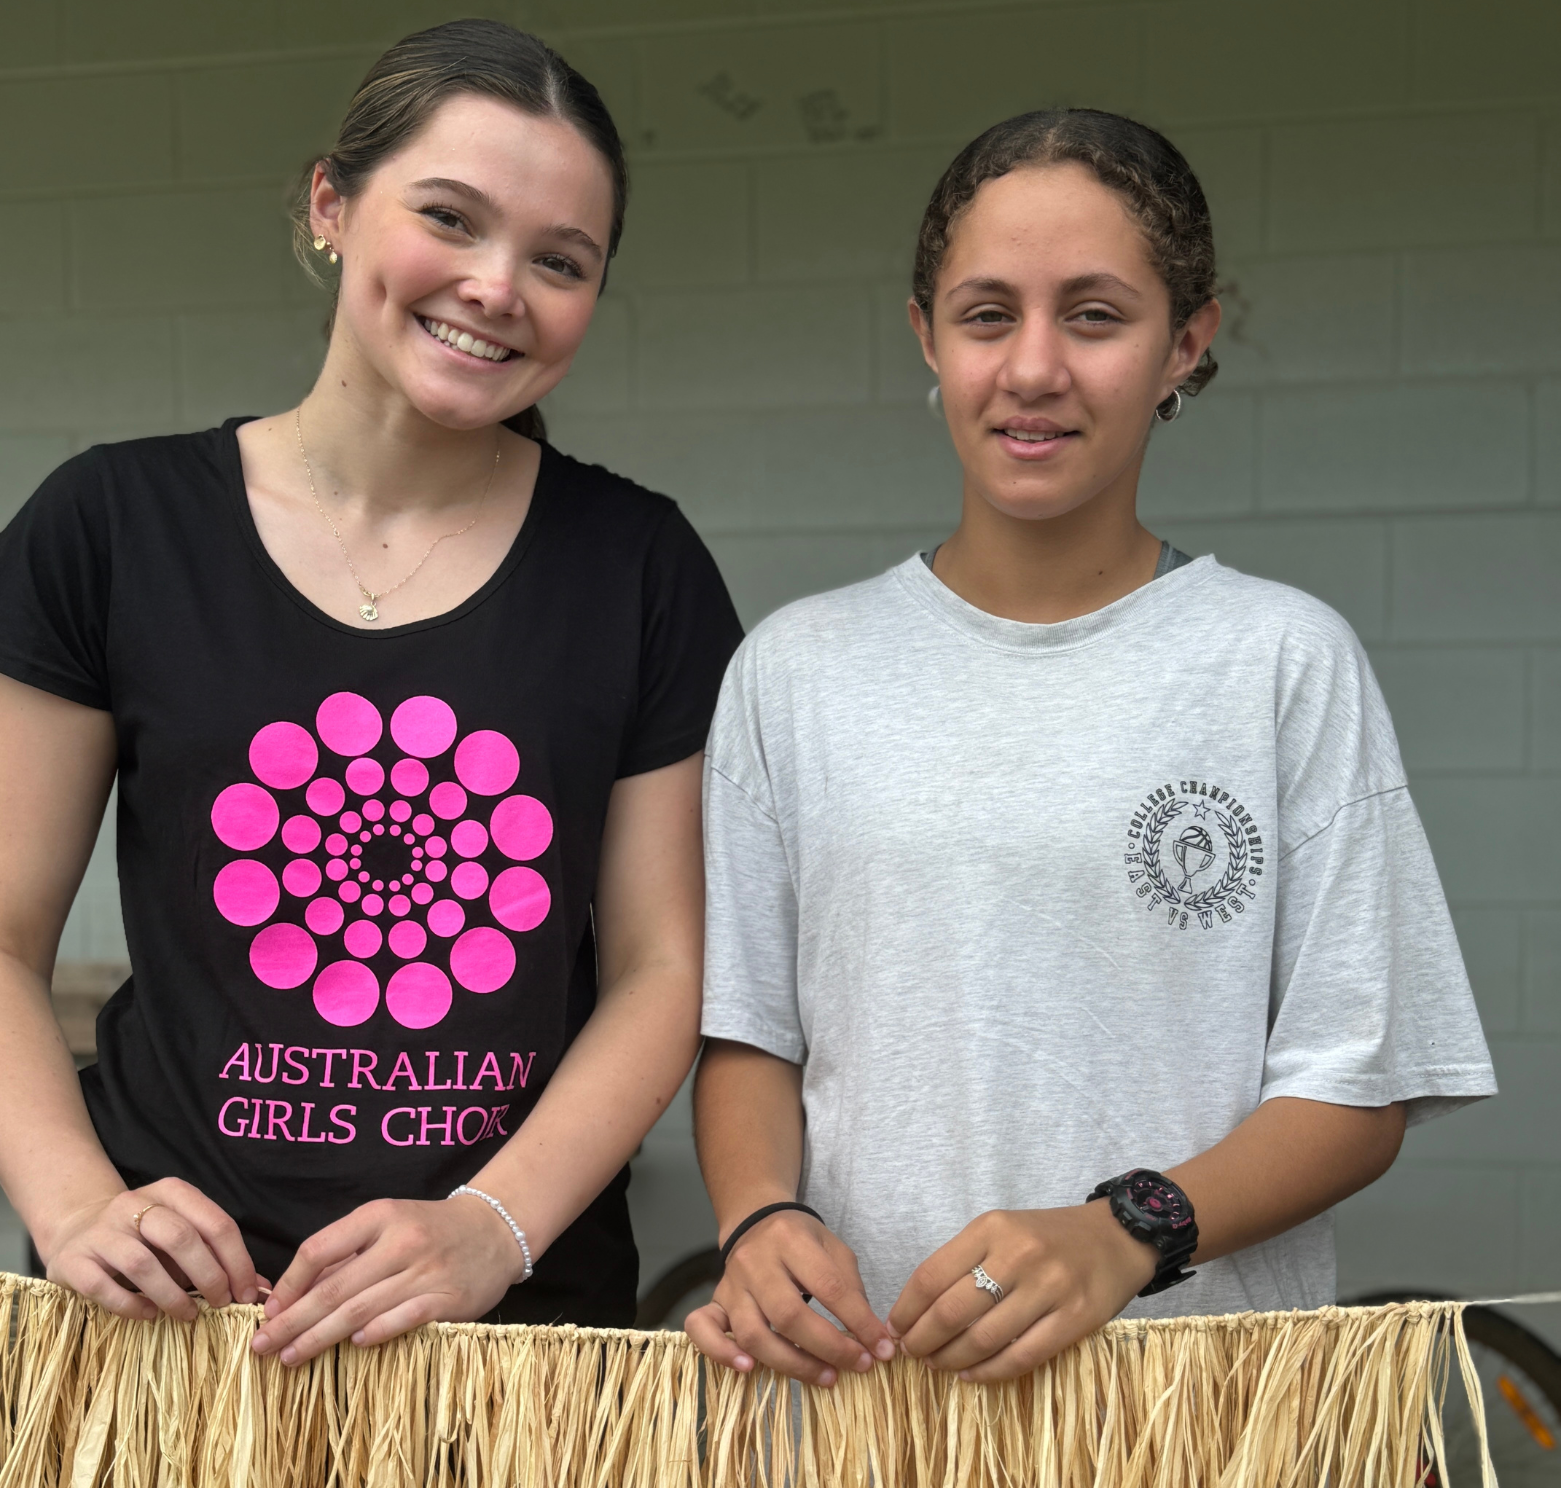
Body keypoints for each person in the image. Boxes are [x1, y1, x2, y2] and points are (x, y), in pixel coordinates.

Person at [687, 109, 1496, 1388]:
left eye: (1098, 315)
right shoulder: (794, 672)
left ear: (1187, 342)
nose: (1033, 368)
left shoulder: (1281, 662)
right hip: (874, 1420)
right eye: (987, 313)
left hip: (1194, 1432)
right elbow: (750, 1038)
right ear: (925, 336)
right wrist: (758, 1216)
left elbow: (1362, 1086)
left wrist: (1131, 1231)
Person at [0, 20, 741, 1362]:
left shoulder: (641, 566)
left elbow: (660, 966)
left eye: (560, 262)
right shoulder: (110, 525)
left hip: (514, 1348)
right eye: (449, 217)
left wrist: (491, 1227)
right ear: (331, 205)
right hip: (175, 1341)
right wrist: (70, 1201)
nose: (497, 285)